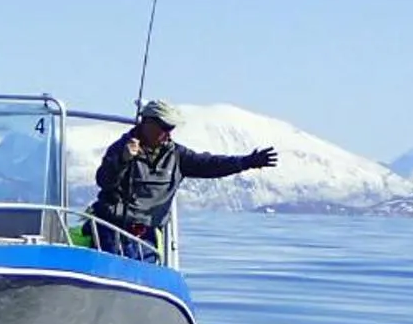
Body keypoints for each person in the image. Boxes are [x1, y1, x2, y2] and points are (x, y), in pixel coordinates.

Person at [88, 101, 276, 258]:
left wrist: (247, 162)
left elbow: (210, 164)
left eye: (171, 128)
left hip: (146, 235)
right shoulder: (120, 148)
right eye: (165, 127)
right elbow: (104, 181)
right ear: (147, 123)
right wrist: (123, 160)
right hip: (111, 228)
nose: (168, 133)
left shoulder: (177, 155)